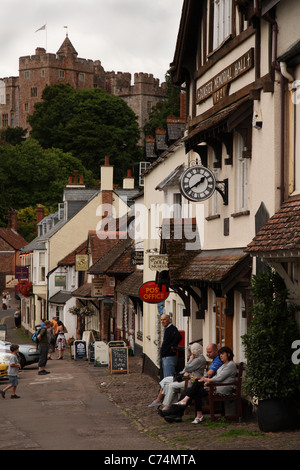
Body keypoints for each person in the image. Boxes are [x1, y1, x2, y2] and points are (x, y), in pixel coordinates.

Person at [171, 346, 237, 424]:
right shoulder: (224, 364)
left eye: (222, 354)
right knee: (197, 391)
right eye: (220, 354)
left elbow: (219, 378)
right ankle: (198, 415)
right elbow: (216, 376)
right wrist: (207, 381)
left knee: (197, 384)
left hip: (222, 388)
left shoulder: (230, 365)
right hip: (216, 386)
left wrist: (207, 380)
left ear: (228, 354)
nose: (221, 356)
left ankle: (185, 401)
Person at [157, 342, 207, 415]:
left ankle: (167, 406)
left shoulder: (198, 359)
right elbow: (186, 369)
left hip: (192, 382)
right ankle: (169, 407)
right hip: (189, 379)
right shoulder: (198, 358)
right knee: (170, 385)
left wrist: (190, 360)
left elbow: (187, 368)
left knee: (171, 385)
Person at [160, 314, 182, 378]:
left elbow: (179, 337)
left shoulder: (172, 329)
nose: (162, 321)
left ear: (169, 319)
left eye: (164, 319)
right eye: (161, 320)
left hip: (169, 357)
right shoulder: (168, 329)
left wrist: (172, 346)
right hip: (166, 356)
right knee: (166, 377)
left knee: (169, 378)